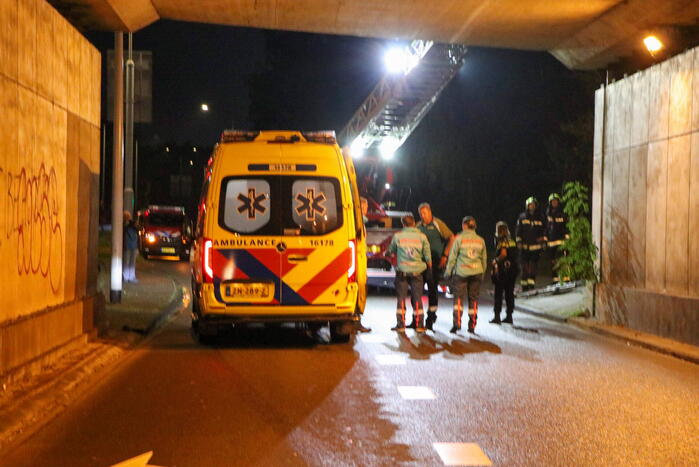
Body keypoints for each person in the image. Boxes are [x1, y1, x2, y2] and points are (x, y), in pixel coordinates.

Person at [387, 214, 432, 333]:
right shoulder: (422, 237)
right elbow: (427, 255)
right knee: (417, 298)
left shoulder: (398, 236)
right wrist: (429, 268)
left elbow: (390, 251)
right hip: (417, 272)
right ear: (414, 223)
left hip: (402, 272)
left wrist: (388, 254)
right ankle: (419, 325)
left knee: (401, 298)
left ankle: (400, 324)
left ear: (403, 224)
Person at [415, 202, 454, 331]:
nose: (422, 216)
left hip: (435, 262)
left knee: (432, 290)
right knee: (417, 290)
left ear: (430, 212)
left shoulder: (438, 224)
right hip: (421, 263)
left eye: (424, 213)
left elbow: (451, 238)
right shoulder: (418, 226)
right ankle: (416, 318)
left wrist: (445, 255)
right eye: (421, 214)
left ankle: (431, 317)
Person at [445, 216, 487, 333]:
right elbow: (484, 259)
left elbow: (452, 258)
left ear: (464, 225)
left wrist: (448, 272)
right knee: (473, 299)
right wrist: (482, 273)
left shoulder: (459, 239)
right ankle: (472, 325)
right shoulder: (480, 240)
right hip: (476, 273)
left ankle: (457, 323)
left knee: (458, 299)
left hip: (461, 274)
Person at [515, 196, 546, 291]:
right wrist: (519, 241)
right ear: (527, 206)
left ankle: (531, 285)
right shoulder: (522, 217)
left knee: (533, 267)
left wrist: (543, 240)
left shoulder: (541, 217)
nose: (531, 206)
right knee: (524, 267)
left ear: (536, 206)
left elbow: (545, 230)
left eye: (533, 205)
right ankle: (524, 285)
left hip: (536, 247)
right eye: (530, 205)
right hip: (524, 247)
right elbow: (518, 230)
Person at [490, 221, 518, 324]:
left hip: (503, 271)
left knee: (498, 293)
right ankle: (509, 316)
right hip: (513, 270)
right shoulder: (512, 240)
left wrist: (495, 261)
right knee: (509, 294)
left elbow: (503, 254)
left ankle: (497, 316)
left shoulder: (502, 241)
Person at [545, 193, 569, 284]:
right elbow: (546, 227)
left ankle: (566, 278)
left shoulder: (563, 213)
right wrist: (545, 238)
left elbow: (567, 226)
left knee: (564, 260)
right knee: (553, 261)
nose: (554, 203)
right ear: (550, 203)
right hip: (551, 241)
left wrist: (567, 237)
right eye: (552, 202)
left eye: (555, 201)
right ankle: (555, 279)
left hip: (562, 241)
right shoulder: (548, 214)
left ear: (558, 202)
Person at [123, 211, 139, 283]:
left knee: (128, 261)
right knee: (130, 262)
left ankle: (128, 277)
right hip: (130, 245)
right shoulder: (126, 226)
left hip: (130, 245)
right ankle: (129, 277)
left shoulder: (130, 225)